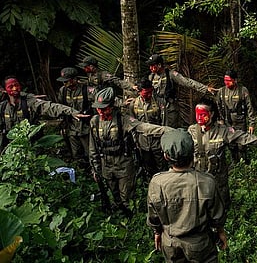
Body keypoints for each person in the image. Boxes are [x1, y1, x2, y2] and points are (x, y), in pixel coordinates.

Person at [89, 87, 172, 216]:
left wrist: (168, 130)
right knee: (114, 193)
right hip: (106, 164)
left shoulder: (123, 119)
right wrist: (95, 168)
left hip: (123, 164)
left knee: (126, 195)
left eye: (104, 108)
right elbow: (92, 146)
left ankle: (130, 218)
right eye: (98, 108)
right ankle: (118, 216)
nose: (100, 111)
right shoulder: (94, 121)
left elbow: (144, 127)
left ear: (111, 106)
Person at [147, 129, 227, 263]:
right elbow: (217, 216)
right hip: (200, 244)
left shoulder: (157, 182)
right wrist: (220, 232)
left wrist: (157, 232)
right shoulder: (206, 181)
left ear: (166, 157)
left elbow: (154, 215)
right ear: (192, 153)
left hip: (170, 243)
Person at [187, 98, 257, 209]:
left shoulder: (223, 131)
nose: (199, 118)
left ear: (212, 114)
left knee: (221, 209)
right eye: (197, 114)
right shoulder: (192, 131)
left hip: (217, 181)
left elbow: (244, 137)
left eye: (203, 114)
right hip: (198, 179)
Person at [0, 76, 84, 152]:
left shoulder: (30, 102)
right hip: (12, 148)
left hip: (32, 146)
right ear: (4, 90)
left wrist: (71, 112)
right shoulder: (3, 107)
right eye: (10, 87)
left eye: (16, 85)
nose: (15, 88)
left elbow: (50, 106)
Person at [146, 54, 215, 128]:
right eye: (150, 66)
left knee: (170, 129)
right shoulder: (151, 77)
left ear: (159, 65)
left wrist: (205, 88)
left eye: (153, 65)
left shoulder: (171, 74)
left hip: (169, 107)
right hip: (157, 107)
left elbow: (187, 82)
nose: (150, 68)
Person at [127, 77, 167, 178]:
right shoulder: (133, 105)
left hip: (158, 142)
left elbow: (164, 123)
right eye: (146, 93)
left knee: (162, 167)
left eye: (150, 92)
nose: (149, 95)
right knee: (148, 167)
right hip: (143, 143)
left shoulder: (159, 102)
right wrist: (136, 142)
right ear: (139, 92)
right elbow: (133, 125)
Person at [215, 69, 256, 162]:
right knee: (231, 144)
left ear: (235, 80)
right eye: (225, 80)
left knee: (242, 143)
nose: (226, 83)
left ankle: (244, 163)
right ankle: (235, 162)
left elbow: (249, 107)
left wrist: (251, 124)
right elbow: (217, 107)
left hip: (240, 121)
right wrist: (220, 120)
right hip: (227, 122)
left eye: (228, 80)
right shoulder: (222, 91)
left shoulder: (242, 90)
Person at [57, 67, 95, 165]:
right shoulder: (63, 91)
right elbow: (61, 107)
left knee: (91, 153)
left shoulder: (86, 89)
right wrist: (62, 124)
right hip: (71, 128)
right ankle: (80, 173)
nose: (64, 84)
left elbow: (100, 100)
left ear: (74, 80)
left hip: (86, 127)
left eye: (67, 81)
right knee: (76, 155)